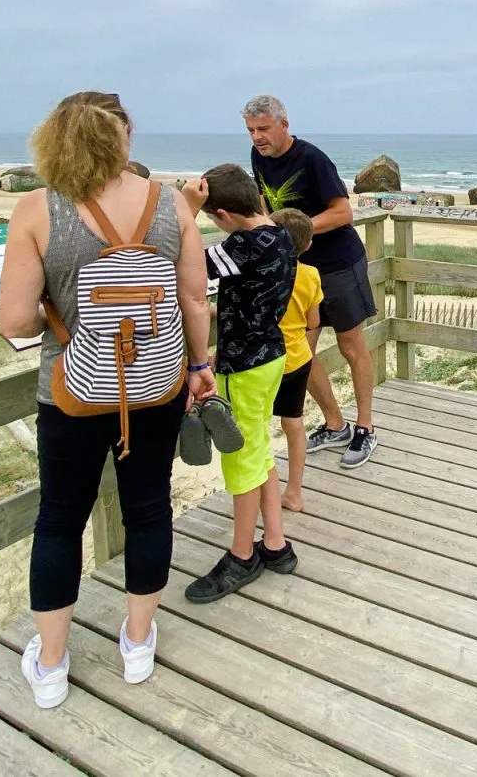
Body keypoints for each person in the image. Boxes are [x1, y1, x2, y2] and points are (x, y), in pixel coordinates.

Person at [0, 91, 213, 709]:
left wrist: (59, 307)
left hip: (73, 391)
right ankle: (138, 643)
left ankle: (54, 663)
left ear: (54, 140)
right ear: (125, 138)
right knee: (149, 508)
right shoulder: (170, 203)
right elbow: (195, 300)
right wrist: (200, 366)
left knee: (60, 519)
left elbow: (14, 320)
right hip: (156, 384)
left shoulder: (37, 209)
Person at [227, 96, 379, 468]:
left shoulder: (312, 159)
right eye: (250, 131)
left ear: (284, 124)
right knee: (299, 352)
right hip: (295, 267)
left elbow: (343, 212)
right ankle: (335, 423)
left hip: (339, 264)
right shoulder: (258, 157)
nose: (257, 138)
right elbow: (264, 203)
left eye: (263, 129)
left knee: (350, 344)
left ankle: (365, 427)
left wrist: (293, 231)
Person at [183, 165, 300, 601]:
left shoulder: (242, 246)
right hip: (271, 355)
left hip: (244, 367)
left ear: (225, 215)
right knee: (258, 449)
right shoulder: (281, 234)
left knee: (241, 459)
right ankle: (275, 543)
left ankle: (241, 555)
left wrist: (188, 211)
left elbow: (191, 268)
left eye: (215, 216)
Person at [271, 208, 324, 513]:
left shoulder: (261, 275)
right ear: (308, 245)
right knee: (294, 425)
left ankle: (261, 487)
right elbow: (313, 321)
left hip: (265, 361)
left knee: (255, 426)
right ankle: (294, 492)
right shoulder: (311, 275)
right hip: (297, 359)